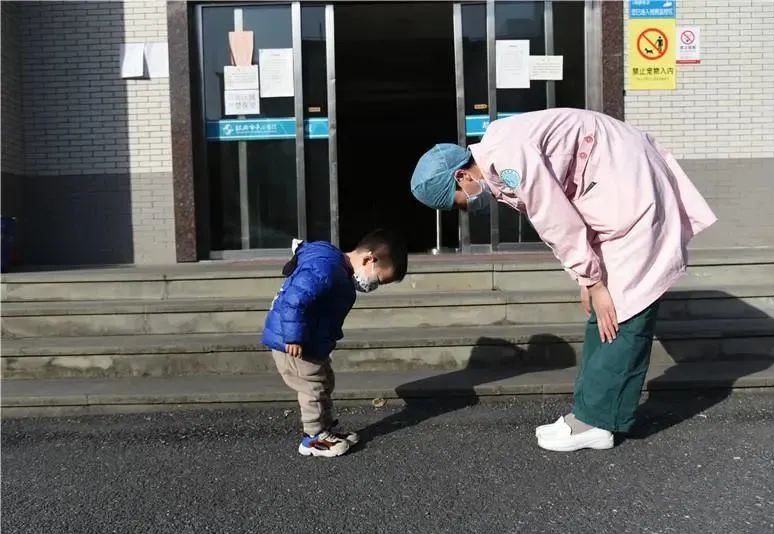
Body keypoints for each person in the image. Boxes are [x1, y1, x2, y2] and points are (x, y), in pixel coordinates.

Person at [410, 108, 716, 452]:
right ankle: (588, 412)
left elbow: (556, 220)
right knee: (604, 312)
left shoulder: (510, 160)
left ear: (463, 176)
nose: (466, 207)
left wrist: (593, 282)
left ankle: (600, 422)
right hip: (615, 184)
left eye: (459, 202)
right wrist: (586, 280)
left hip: (629, 189)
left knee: (623, 309)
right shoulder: (499, 158)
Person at [262, 230, 408, 457]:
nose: (373, 286)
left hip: (308, 340)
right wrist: (293, 336)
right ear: (369, 259)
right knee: (312, 386)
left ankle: (325, 429)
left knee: (324, 381)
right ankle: (313, 437)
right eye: (378, 280)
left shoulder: (336, 269)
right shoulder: (326, 268)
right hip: (292, 342)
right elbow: (294, 299)